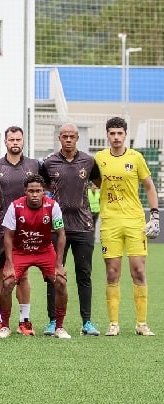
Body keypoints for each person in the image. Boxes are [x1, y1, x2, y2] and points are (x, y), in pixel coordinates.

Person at [93, 117, 159, 336]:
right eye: (112, 133)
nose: (116, 137)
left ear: (125, 135)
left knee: (138, 271)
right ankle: (113, 323)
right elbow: (94, 183)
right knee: (112, 273)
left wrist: (155, 216)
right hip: (110, 222)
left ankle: (142, 324)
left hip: (134, 221)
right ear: (107, 135)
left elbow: (149, 186)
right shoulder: (100, 158)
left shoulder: (136, 157)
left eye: (120, 133)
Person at [40, 123, 102, 336]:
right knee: (53, 275)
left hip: (83, 226)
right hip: (57, 228)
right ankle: (52, 321)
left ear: (77, 138)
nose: (68, 140)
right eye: (64, 136)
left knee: (84, 274)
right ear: (59, 138)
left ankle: (87, 322)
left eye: (72, 136)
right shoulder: (49, 162)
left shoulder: (89, 161)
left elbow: (98, 182)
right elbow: (45, 185)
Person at [0, 126, 41, 337]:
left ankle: (24, 320)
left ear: (23, 142)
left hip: (26, 229)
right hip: (0, 227)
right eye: (11, 139)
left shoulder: (34, 165)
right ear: (6, 142)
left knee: (23, 275)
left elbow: (42, 192)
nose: (15, 142)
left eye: (18, 139)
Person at [2, 174, 69, 339]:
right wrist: (9, 263)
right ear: (25, 191)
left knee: (60, 281)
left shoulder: (53, 206)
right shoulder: (15, 207)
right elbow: (8, 236)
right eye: (31, 190)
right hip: (20, 251)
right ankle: (4, 326)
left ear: (44, 191)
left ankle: (59, 327)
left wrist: (59, 264)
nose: (34, 194)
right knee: (8, 281)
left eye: (38, 191)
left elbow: (61, 235)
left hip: (44, 250)